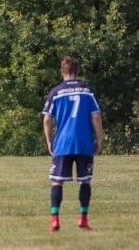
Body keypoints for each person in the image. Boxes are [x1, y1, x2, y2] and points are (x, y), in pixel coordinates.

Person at [42, 56, 103, 232]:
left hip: (63, 143)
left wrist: (49, 141)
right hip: (84, 143)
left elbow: (47, 120)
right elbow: (96, 116)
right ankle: (83, 219)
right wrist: (99, 140)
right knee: (85, 181)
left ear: (61, 71)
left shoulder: (56, 92)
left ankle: (55, 220)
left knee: (57, 182)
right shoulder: (87, 91)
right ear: (78, 71)